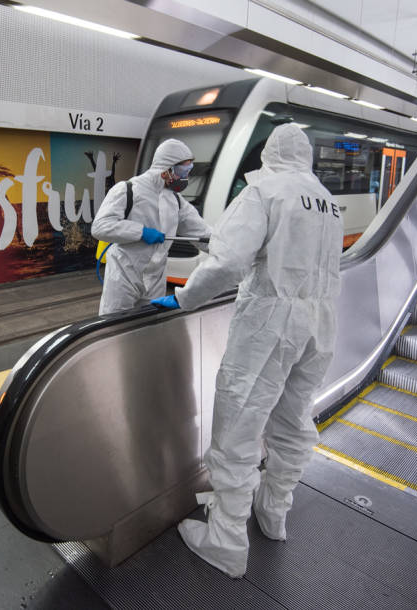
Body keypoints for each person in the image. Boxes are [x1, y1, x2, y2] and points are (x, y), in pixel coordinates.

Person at [151, 123, 343, 578]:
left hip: (269, 323)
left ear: (270, 153)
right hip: (320, 323)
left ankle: (227, 539)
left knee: (238, 422)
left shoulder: (264, 192)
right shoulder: (328, 201)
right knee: (293, 420)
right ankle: (274, 512)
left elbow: (228, 262)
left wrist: (184, 298)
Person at [91, 138, 210, 315]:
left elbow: (202, 233)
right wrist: (140, 232)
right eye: (183, 171)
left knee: (149, 325)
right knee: (115, 326)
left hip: (155, 278)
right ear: (166, 170)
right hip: (124, 275)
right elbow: (100, 226)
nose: (185, 177)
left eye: (189, 170)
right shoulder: (127, 190)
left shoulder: (175, 200)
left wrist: (232, 250)